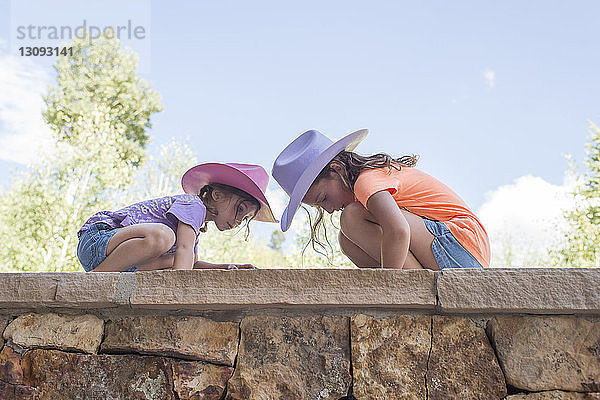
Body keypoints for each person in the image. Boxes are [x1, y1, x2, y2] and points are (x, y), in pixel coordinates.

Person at [272, 129, 490, 270]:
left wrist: (388, 288)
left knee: (352, 217)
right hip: (456, 254)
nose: (328, 210)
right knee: (346, 240)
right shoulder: (366, 185)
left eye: (324, 198)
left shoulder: (367, 182)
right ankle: (411, 283)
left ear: (336, 169)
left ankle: (402, 286)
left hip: (460, 245)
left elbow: (398, 230)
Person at [76, 163, 277, 272]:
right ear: (217, 195)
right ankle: (97, 279)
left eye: (246, 218)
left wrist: (230, 267)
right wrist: (179, 291)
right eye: (240, 209)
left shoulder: (193, 232)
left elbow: (190, 264)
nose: (240, 220)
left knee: (178, 258)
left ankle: (102, 276)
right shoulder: (193, 204)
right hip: (99, 241)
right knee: (164, 236)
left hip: (122, 262)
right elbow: (184, 255)